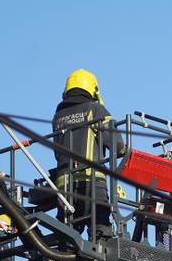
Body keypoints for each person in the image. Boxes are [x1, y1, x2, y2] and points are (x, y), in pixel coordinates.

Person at [52, 69, 125, 239]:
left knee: (67, 234)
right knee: (100, 228)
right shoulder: (95, 109)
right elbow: (118, 146)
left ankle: (62, 260)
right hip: (92, 182)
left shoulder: (57, 117)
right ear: (93, 89)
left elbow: (57, 152)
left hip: (64, 185)